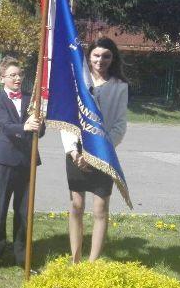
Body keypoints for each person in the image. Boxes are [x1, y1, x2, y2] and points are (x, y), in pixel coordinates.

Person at [61, 37, 128, 263]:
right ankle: (76, 259)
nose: (101, 60)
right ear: (89, 57)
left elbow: (119, 125)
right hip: (76, 151)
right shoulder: (77, 82)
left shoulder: (119, 86)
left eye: (106, 56)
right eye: (96, 55)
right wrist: (73, 150)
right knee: (76, 205)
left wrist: (99, 152)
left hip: (103, 151)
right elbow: (68, 119)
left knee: (100, 208)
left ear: (113, 58)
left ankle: (92, 263)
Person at [0, 56, 43, 274]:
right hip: (6, 158)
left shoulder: (31, 98)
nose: (17, 78)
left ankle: (22, 256)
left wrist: (40, 123)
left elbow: (40, 131)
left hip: (27, 159)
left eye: (20, 74)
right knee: (0, 208)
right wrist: (24, 127)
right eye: (12, 75)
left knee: (23, 210)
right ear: (2, 78)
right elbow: (5, 125)